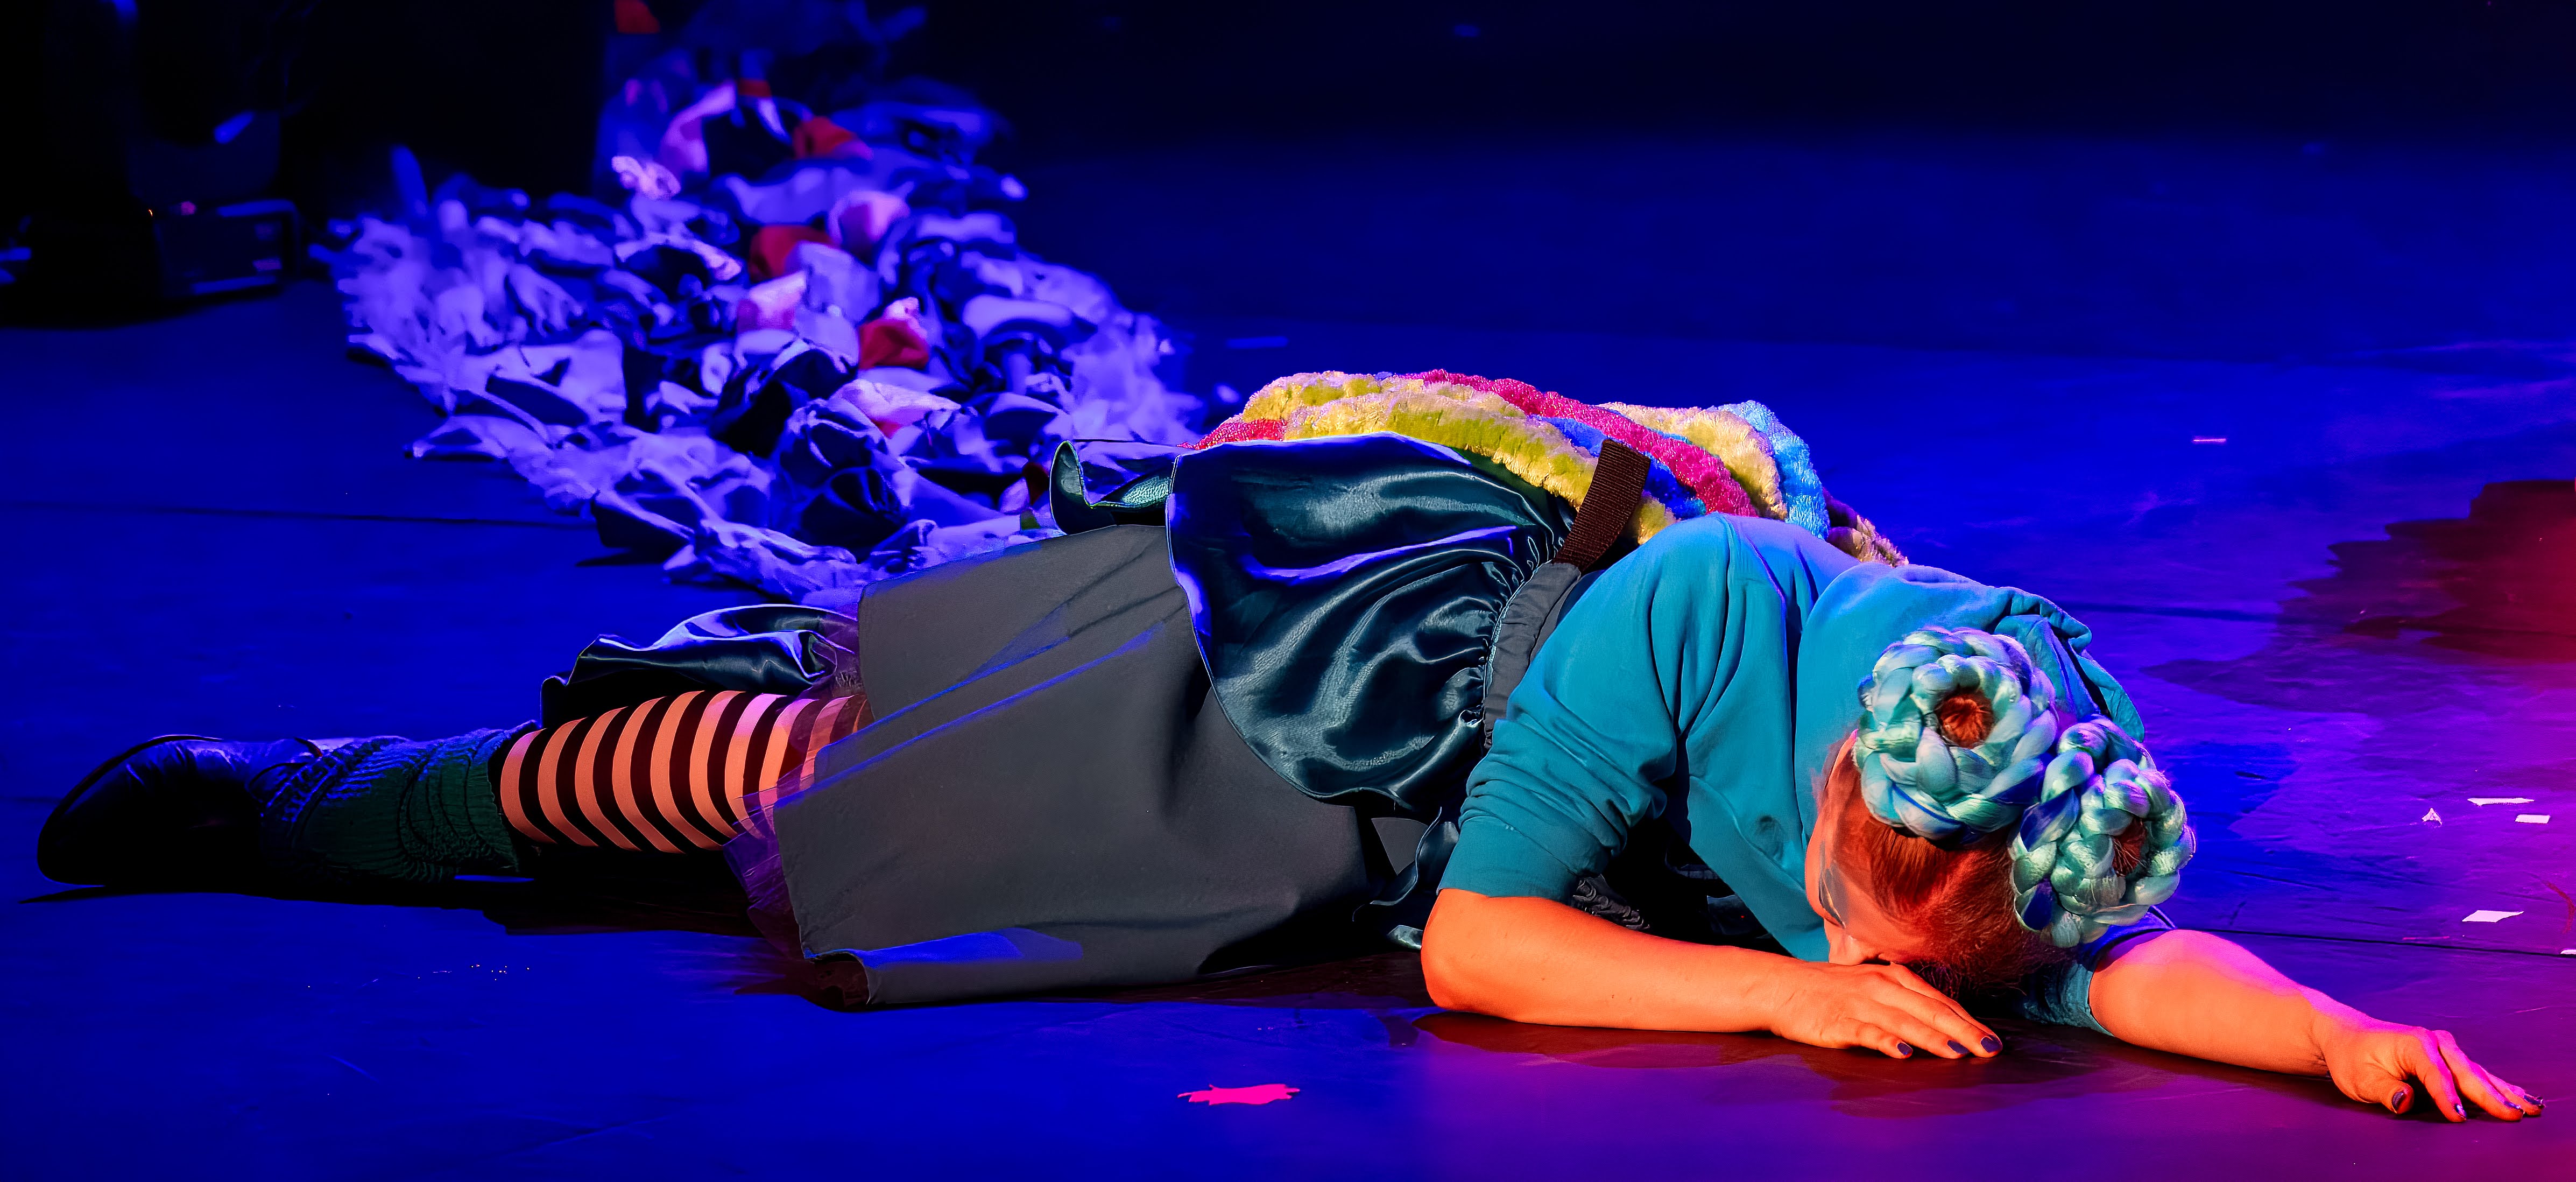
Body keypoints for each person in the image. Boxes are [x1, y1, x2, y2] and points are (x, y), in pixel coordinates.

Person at [37, 375, 2542, 1124]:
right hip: (1296, 737)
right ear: (1836, 803)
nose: (1946, 970)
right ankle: (309, 792)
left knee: (815, 785)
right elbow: (1482, 947)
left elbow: (2099, 961)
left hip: (1428, 823)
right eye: (1894, 908)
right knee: (787, 790)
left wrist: (2331, 1033)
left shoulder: (2014, 766)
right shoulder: (1704, 625)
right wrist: (1783, 987)